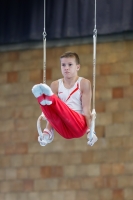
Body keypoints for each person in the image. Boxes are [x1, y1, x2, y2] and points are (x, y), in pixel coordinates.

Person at [32, 52, 98, 146]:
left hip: (79, 125)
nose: (66, 67)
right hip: (63, 128)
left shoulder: (84, 83)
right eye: (63, 65)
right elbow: (53, 114)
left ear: (77, 67)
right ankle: (42, 100)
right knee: (50, 106)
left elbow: (86, 110)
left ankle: (45, 97)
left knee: (57, 104)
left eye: (70, 64)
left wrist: (91, 132)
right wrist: (46, 132)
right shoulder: (55, 85)